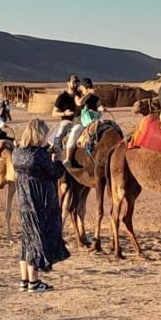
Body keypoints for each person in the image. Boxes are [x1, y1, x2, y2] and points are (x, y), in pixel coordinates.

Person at [13, 118, 70, 292]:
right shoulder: (39, 155)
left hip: (23, 202)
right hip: (40, 203)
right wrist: (59, 159)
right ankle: (34, 282)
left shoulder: (17, 152)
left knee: (26, 241)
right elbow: (55, 173)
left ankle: (24, 280)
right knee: (35, 242)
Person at [64, 77, 104, 168]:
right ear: (82, 87)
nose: (87, 88)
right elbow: (79, 103)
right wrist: (87, 94)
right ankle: (68, 158)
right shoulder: (77, 95)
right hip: (80, 121)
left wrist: (101, 109)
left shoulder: (95, 98)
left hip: (93, 120)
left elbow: (100, 107)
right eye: (85, 87)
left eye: (89, 87)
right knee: (75, 132)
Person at [51, 74, 81, 152]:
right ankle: (55, 150)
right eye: (73, 82)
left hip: (80, 121)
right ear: (68, 83)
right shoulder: (62, 97)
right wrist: (64, 114)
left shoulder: (81, 96)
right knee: (61, 131)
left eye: (77, 83)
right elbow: (54, 113)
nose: (75, 84)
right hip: (67, 121)